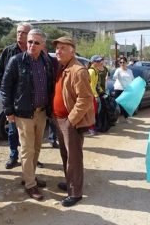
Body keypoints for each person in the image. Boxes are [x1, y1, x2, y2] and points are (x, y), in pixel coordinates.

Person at [1, 29, 54, 201]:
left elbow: (51, 85)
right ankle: (31, 185)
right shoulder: (16, 61)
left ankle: (28, 176)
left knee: (37, 148)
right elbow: (6, 87)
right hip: (24, 114)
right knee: (27, 149)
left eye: (36, 42)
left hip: (41, 112)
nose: (32, 45)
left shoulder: (46, 61)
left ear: (43, 45)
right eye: (30, 41)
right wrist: (9, 111)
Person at [52, 36, 94, 207]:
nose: (58, 51)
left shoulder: (78, 70)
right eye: (57, 48)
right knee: (66, 155)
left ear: (72, 51)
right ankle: (70, 183)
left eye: (63, 48)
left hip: (70, 121)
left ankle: (75, 193)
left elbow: (85, 99)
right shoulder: (63, 68)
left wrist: (71, 120)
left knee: (74, 158)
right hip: (59, 119)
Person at [0, 22, 33, 169]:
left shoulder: (35, 51)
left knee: (30, 133)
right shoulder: (8, 51)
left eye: (23, 32)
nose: (19, 35)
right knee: (12, 130)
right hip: (12, 98)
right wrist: (1, 86)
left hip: (29, 100)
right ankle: (13, 156)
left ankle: (30, 157)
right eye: (18, 32)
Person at [88, 55, 106, 135]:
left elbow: (97, 84)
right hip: (91, 95)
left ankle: (93, 126)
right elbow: (91, 85)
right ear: (93, 62)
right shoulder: (91, 71)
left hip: (95, 94)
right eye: (97, 61)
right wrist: (95, 96)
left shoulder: (96, 70)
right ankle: (90, 128)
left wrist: (102, 92)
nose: (99, 62)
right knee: (92, 112)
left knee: (95, 112)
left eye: (99, 61)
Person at [113, 57, 134, 123]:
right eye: (120, 62)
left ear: (126, 63)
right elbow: (114, 77)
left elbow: (132, 80)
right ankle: (117, 118)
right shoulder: (118, 70)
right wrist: (117, 75)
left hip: (126, 90)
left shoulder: (130, 71)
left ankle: (126, 118)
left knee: (126, 105)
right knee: (117, 104)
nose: (122, 64)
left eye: (123, 62)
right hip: (118, 88)